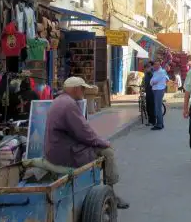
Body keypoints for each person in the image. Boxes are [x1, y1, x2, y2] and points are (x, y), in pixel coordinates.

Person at [44, 77, 128, 209]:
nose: (83, 92)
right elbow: (85, 133)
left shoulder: (60, 101)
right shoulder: (69, 105)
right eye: (82, 89)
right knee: (108, 152)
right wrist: (103, 142)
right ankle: (111, 193)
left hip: (57, 149)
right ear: (76, 89)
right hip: (66, 153)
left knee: (99, 147)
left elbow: (80, 132)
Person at [150, 60, 169, 130]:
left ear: (159, 65)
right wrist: (152, 82)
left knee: (157, 108)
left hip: (159, 90)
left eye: (156, 65)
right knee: (157, 107)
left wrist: (152, 82)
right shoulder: (156, 72)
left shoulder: (161, 72)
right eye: (154, 65)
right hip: (156, 90)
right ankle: (160, 123)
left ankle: (159, 124)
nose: (155, 66)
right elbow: (152, 81)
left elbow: (154, 81)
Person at [143, 62, 156, 126]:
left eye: (146, 68)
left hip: (151, 93)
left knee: (151, 108)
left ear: (149, 68)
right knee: (148, 108)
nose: (145, 70)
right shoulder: (146, 74)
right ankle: (150, 121)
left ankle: (152, 121)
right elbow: (145, 83)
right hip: (148, 93)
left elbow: (153, 83)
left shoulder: (151, 74)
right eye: (145, 69)